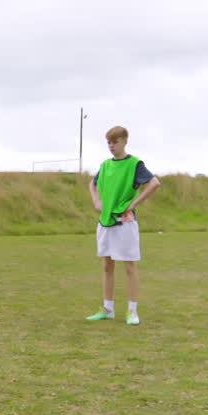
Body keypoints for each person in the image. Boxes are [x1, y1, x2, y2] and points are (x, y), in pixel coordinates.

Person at [86, 126, 161, 325]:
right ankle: (107, 309)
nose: (111, 146)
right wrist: (96, 202)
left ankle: (132, 312)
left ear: (124, 141)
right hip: (105, 222)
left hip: (125, 223)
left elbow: (154, 183)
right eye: (109, 142)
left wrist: (132, 204)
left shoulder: (135, 164)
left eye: (115, 142)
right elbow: (92, 184)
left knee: (129, 266)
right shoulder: (105, 165)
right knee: (107, 265)